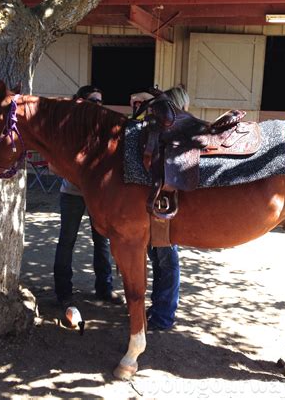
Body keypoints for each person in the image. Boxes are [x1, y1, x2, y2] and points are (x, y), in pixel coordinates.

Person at [53, 85, 123, 307]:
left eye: (101, 101)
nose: (99, 105)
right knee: (67, 241)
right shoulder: (68, 128)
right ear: (81, 101)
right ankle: (63, 293)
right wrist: (80, 178)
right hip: (73, 193)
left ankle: (105, 289)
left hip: (98, 196)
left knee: (102, 242)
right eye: (94, 100)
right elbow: (54, 165)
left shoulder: (102, 128)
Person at [131, 86, 189, 331]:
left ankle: (163, 314)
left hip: (163, 205)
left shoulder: (169, 136)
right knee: (160, 258)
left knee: (165, 259)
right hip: (159, 204)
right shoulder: (164, 134)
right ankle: (160, 310)